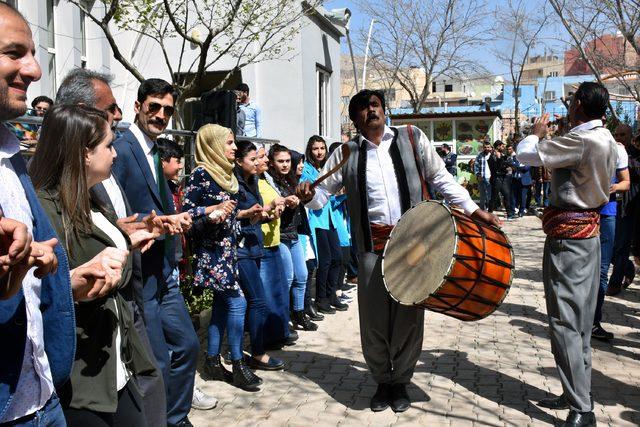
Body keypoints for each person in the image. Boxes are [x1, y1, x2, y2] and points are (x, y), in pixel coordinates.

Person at [297, 89, 497, 413]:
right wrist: (308, 196)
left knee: (408, 317)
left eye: (374, 104)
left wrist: (474, 210)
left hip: (413, 247)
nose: (370, 111)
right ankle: (381, 382)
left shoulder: (412, 138)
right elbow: (321, 194)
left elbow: (442, 179)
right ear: (355, 119)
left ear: (384, 109)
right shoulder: (346, 153)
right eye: (362, 108)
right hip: (370, 249)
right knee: (374, 320)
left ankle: (401, 382)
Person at [0, 6, 108, 425]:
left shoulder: (11, 157)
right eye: (14, 52)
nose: (34, 69)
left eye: (32, 52)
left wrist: (62, 278)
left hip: (42, 396)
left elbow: (31, 268)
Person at [55, 67, 176, 423]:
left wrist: (132, 232)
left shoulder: (95, 178)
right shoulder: (55, 195)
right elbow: (75, 261)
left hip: (128, 306)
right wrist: (69, 281)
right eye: (109, 109)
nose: (118, 115)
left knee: (153, 376)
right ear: (82, 116)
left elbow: (109, 225)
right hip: (93, 360)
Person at [31, 104, 161, 426]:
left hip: (119, 364)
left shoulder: (90, 199)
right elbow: (42, 285)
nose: (115, 154)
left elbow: (104, 258)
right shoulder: (45, 209)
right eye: (108, 145)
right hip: (83, 380)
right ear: (85, 153)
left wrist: (127, 242)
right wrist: (73, 283)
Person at [517, 82, 617, 427]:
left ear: (578, 105)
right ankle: (577, 392)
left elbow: (527, 156)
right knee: (580, 323)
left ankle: (581, 408)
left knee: (563, 322)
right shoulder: (606, 139)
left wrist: (535, 134)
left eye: (572, 101)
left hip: (568, 242)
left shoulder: (581, 140)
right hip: (589, 236)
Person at [111, 78, 199, 427]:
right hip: (139, 271)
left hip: (164, 270)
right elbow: (110, 209)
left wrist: (172, 222)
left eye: (167, 110)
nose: (160, 115)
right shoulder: (121, 146)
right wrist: (140, 228)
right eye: (154, 107)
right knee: (157, 360)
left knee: (188, 347)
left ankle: (175, 417)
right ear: (138, 106)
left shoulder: (158, 149)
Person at [183, 124, 263, 390]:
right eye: (229, 143)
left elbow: (228, 213)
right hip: (211, 252)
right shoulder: (200, 175)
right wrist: (211, 209)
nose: (234, 148)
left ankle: (212, 361)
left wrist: (242, 214)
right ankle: (239, 364)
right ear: (213, 145)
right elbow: (186, 215)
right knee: (237, 303)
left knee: (220, 307)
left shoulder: (226, 174)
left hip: (228, 250)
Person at [232, 140, 287, 370]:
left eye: (258, 158)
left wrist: (268, 209)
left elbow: (256, 215)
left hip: (256, 244)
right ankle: (255, 353)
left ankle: (245, 353)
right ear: (238, 161)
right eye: (252, 159)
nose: (257, 163)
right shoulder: (233, 184)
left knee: (252, 302)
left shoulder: (253, 180)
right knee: (257, 301)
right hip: (241, 248)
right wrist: (247, 213)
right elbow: (230, 214)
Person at [268, 143, 318, 331]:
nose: (285, 164)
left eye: (288, 160)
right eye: (280, 161)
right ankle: (283, 318)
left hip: (294, 232)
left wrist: (301, 198)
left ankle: (299, 314)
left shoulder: (292, 179)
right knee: (287, 278)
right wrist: (285, 202)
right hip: (279, 235)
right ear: (272, 162)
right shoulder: (269, 180)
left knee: (302, 275)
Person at [257, 145, 298, 348]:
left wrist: (280, 204)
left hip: (274, 239)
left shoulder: (267, 179)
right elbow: (253, 210)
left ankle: (280, 330)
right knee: (268, 292)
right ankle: (266, 337)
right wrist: (271, 208)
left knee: (280, 288)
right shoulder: (251, 181)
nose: (265, 160)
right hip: (263, 242)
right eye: (261, 157)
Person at [301, 136, 346, 314]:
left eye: (322, 148)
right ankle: (321, 298)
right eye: (315, 149)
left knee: (337, 258)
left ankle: (332, 293)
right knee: (325, 261)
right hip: (317, 220)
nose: (319, 152)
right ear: (309, 151)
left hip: (331, 219)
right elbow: (309, 195)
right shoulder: (307, 170)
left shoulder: (328, 168)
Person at [592, 137, 629, 341]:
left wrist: (615, 187)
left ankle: (594, 322)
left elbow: (626, 181)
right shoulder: (583, 145)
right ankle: (580, 320)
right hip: (584, 214)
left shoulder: (617, 151)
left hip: (607, 215)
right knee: (584, 270)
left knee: (602, 270)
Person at [607, 123, 640, 296]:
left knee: (622, 246)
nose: (618, 138)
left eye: (622, 135)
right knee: (608, 246)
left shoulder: (635, 154)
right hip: (611, 204)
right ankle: (627, 267)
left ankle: (614, 284)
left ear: (630, 136)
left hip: (629, 207)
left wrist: (624, 158)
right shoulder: (611, 153)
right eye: (616, 135)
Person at [488, 140, 516, 219]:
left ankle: (510, 214)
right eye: (502, 146)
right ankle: (489, 213)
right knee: (494, 197)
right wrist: (500, 160)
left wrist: (509, 166)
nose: (503, 148)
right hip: (496, 179)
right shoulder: (492, 156)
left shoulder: (504, 155)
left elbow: (509, 164)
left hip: (504, 178)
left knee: (507, 195)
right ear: (498, 146)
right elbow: (496, 168)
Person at [474, 142, 492, 210]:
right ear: (483, 148)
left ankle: (490, 209)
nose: (486, 148)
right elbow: (476, 166)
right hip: (482, 177)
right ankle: (482, 209)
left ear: (490, 147)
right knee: (482, 195)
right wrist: (478, 175)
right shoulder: (480, 155)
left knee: (489, 195)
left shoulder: (493, 155)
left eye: (488, 147)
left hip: (491, 178)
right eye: (485, 147)